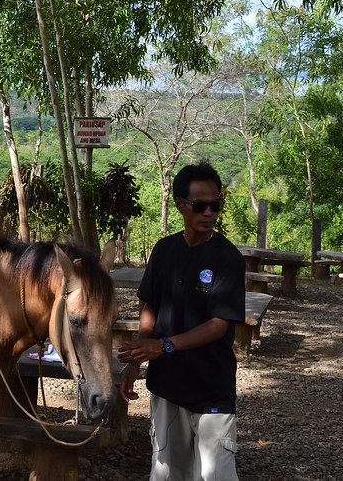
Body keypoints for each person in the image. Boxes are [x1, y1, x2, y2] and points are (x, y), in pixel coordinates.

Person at [117, 162, 246, 481]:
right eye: (200, 205)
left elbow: (219, 325)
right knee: (166, 472)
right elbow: (149, 304)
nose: (209, 213)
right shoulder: (164, 251)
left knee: (214, 474)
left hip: (211, 390)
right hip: (166, 387)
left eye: (215, 205)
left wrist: (164, 345)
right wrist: (137, 360)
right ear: (180, 205)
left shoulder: (227, 258)